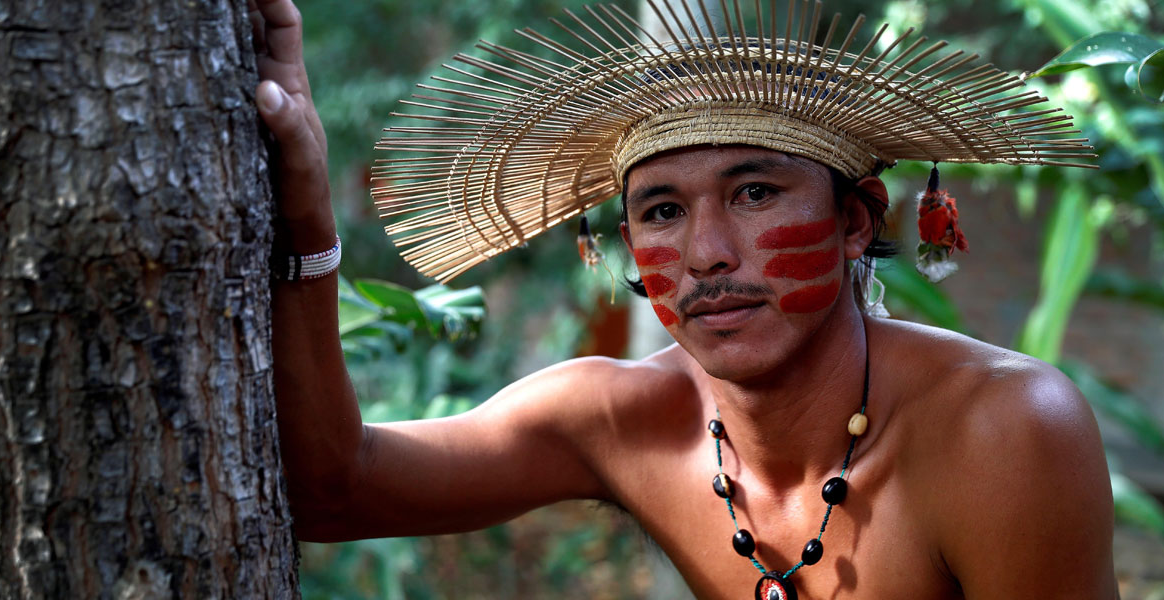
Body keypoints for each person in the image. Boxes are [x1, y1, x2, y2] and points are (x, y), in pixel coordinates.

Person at [250, 0, 1117, 597]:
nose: (706, 254)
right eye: (662, 211)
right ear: (629, 243)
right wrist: (305, 222)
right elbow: (332, 490)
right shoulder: (621, 419)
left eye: (754, 193)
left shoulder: (1001, 431)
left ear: (856, 220)